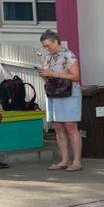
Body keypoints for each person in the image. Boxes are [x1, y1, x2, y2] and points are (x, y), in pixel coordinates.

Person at [37, 29, 83, 172]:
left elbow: (76, 76)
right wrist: (44, 75)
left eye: (47, 45)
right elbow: (49, 75)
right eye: (44, 46)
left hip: (69, 93)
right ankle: (64, 160)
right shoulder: (48, 57)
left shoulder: (69, 55)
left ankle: (77, 161)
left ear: (56, 42)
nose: (46, 48)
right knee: (57, 126)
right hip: (54, 93)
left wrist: (54, 74)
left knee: (71, 126)